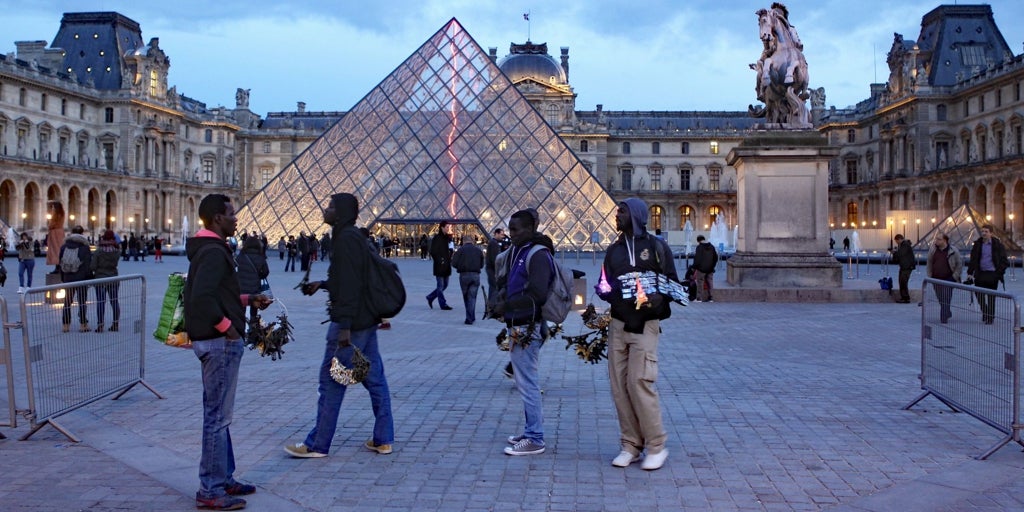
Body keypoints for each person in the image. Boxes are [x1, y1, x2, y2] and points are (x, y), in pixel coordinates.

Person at [285, 193, 395, 459]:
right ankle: (384, 438)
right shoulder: (355, 237)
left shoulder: (345, 240)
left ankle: (317, 444)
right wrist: (322, 285)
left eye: (331, 205)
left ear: (342, 211)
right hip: (366, 321)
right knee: (375, 379)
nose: (326, 209)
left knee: (331, 381)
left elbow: (349, 288)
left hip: (350, 324)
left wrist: (343, 328)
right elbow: (351, 279)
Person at [184, 194, 271, 510]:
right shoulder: (212, 253)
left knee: (220, 416)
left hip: (215, 341)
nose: (237, 218)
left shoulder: (212, 250)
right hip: (219, 344)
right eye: (232, 214)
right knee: (217, 418)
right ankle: (210, 488)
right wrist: (228, 328)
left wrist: (248, 300)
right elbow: (202, 298)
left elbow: (221, 293)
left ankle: (224, 477)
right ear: (217, 219)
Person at [597, 198, 677, 471]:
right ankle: (630, 444)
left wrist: (658, 298)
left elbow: (673, 284)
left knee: (639, 383)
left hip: (646, 324)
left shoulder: (657, 248)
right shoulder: (613, 250)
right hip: (618, 323)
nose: (616, 215)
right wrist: (604, 292)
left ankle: (656, 445)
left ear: (636, 215)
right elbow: (604, 282)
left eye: (622, 211)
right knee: (619, 388)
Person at [495, 209, 554, 456]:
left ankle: (535, 438)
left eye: (516, 229)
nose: (511, 234)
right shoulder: (519, 251)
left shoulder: (537, 255)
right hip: (518, 323)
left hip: (527, 325)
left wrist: (506, 305)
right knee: (523, 382)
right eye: (510, 229)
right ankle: (531, 430)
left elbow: (538, 295)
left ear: (530, 230)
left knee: (527, 383)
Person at [967, 224, 1008, 324]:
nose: (984, 233)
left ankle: (990, 317)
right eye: (982, 231)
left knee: (991, 297)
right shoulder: (977, 244)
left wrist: (998, 273)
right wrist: (970, 272)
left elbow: (1004, 260)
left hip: (992, 274)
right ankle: (985, 312)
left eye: (986, 231)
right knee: (979, 295)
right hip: (980, 274)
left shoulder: (998, 245)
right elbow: (973, 259)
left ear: (991, 233)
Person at [59, 225, 93, 333]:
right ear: (82, 234)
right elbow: (88, 265)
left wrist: (63, 277)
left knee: (67, 302)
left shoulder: (64, 247)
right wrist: (89, 278)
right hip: (81, 278)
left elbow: (60, 263)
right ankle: (83, 324)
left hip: (68, 277)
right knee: (82, 302)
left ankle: (65, 325)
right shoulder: (85, 247)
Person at [926, 233, 962, 324]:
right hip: (935, 279)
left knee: (946, 298)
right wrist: (929, 276)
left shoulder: (953, 250)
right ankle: (947, 312)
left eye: (939, 239)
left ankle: (943, 317)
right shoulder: (933, 250)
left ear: (944, 240)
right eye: (936, 239)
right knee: (940, 298)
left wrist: (954, 277)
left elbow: (959, 265)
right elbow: (929, 263)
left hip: (948, 279)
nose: (936, 241)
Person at [235, 236, 270, 325]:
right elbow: (266, 271)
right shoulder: (260, 256)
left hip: (241, 287)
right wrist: (258, 276)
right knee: (254, 308)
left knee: (241, 310)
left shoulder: (241, 255)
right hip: (255, 287)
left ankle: (241, 330)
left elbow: (235, 269)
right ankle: (253, 329)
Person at [91, 230, 121, 333]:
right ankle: (115, 323)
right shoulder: (117, 251)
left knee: (100, 302)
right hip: (113, 277)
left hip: (100, 278)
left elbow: (93, 266)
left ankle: (100, 325)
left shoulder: (98, 251)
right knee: (114, 301)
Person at [451, 236, 484, 325]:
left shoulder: (460, 250)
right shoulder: (478, 251)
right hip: (475, 275)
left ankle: (469, 318)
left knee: (466, 297)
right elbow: (482, 265)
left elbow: (453, 263)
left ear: (463, 241)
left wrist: (460, 267)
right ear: (472, 241)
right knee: (472, 297)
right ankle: (471, 317)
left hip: (464, 275)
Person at [426, 221, 454, 310]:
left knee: (445, 285)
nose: (448, 229)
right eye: (447, 227)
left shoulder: (447, 238)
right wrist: (440, 260)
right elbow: (433, 251)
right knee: (440, 286)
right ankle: (443, 304)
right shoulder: (437, 238)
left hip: (446, 266)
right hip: (440, 266)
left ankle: (430, 297)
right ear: (442, 227)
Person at [692, 235, 718, 302]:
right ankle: (711, 298)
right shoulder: (712, 246)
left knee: (700, 283)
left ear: (698, 241)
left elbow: (697, 258)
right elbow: (715, 258)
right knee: (710, 283)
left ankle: (699, 298)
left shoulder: (699, 247)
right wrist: (712, 266)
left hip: (701, 269)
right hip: (710, 268)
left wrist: (694, 267)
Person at [486, 227, 510, 298]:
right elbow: (495, 259)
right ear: (496, 234)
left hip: (491, 269)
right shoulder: (494, 243)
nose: (503, 236)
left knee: (493, 287)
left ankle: (491, 304)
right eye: (501, 235)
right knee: (494, 287)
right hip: (493, 270)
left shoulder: (493, 242)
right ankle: (492, 305)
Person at [892, 234, 915, 303]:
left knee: (903, 282)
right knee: (902, 281)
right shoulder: (903, 245)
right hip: (905, 266)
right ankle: (904, 297)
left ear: (899, 239)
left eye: (896, 241)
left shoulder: (905, 245)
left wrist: (894, 253)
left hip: (906, 267)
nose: (896, 242)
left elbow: (900, 254)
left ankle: (905, 298)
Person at [46, 201, 65, 273]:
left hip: (55, 233)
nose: (52, 208)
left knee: (55, 250)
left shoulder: (56, 215)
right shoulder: (61, 214)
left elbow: (52, 224)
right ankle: (59, 267)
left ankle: (57, 267)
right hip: (60, 232)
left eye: (53, 207)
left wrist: (49, 224)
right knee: (59, 249)